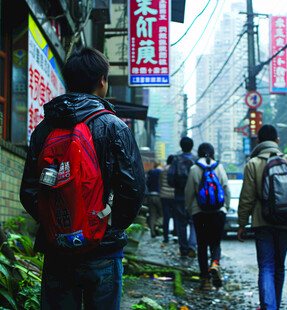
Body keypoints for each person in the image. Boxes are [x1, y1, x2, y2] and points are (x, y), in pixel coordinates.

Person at [20, 47, 145, 310]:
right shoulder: (114, 126)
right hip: (104, 249)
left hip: (57, 249)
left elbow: (29, 191)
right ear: (101, 80)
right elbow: (132, 189)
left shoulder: (44, 129)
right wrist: (106, 226)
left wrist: (60, 224)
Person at [237, 124, 287, 310]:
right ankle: (274, 306)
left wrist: (242, 224)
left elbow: (246, 198)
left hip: (263, 223)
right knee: (279, 266)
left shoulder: (252, 164)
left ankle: (269, 307)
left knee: (266, 266)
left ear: (259, 141)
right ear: (277, 141)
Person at [185, 143, 230, 290]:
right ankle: (215, 263)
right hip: (218, 212)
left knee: (202, 245)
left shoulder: (194, 169)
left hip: (200, 213)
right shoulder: (219, 167)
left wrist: (190, 209)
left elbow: (189, 192)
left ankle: (205, 279)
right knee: (216, 243)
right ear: (212, 153)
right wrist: (225, 208)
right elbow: (226, 189)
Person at [168, 137, 197, 258]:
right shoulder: (196, 160)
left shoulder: (176, 160)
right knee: (194, 222)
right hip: (194, 197)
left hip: (179, 195)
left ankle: (183, 249)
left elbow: (170, 178)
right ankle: (192, 246)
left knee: (181, 223)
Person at [159, 155, 177, 243]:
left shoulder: (163, 170)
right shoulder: (176, 170)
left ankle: (165, 237)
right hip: (174, 196)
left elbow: (160, 184)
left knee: (166, 216)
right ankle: (175, 235)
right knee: (176, 216)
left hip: (164, 195)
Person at [146, 161, 163, 238]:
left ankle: (152, 232)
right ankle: (157, 223)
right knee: (162, 214)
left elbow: (147, 183)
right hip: (159, 195)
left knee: (152, 214)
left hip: (151, 195)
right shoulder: (162, 172)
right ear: (159, 165)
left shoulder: (151, 172)